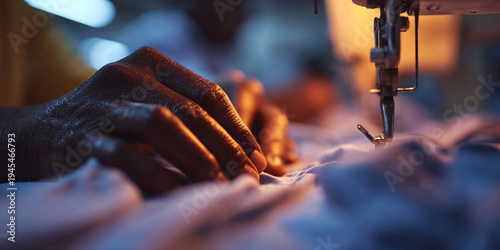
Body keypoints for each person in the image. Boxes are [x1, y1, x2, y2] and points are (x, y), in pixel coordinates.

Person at [0, 1, 297, 195]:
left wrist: (217, 105)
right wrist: (18, 136)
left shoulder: (20, 20)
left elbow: (91, 99)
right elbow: (70, 113)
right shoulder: (156, 31)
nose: (238, 11)